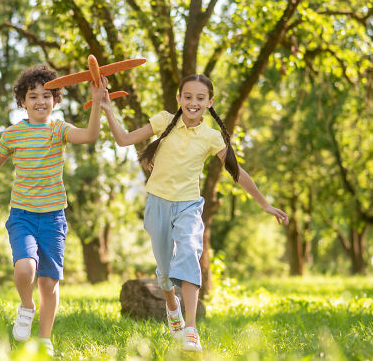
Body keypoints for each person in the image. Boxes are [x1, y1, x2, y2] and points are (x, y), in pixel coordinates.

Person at [100, 74, 288, 352]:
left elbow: (237, 171)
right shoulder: (164, 121)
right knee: (164, 274)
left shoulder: (212, 137)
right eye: (187, 96)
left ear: (210, 102)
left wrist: (264, 203)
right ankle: (171, 307)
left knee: (189, 252)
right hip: (157, 204)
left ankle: (191, 328)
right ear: (179, 99)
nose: (193, 102)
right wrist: (106, 108)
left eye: (200, 98)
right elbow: (123, 140)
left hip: (188, 205)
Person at [0, 65, 106, 356]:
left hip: (54, 217)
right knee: (25, 267)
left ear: (56, 99)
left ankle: (44, 338)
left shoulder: (60, 130)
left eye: (46, 95)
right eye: (33, 96)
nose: (40, 101)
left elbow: (91, 135)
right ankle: (26, 305)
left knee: (48, 282)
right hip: (22, 215)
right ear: (22, 101)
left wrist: (96, 102)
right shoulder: (13, 135)